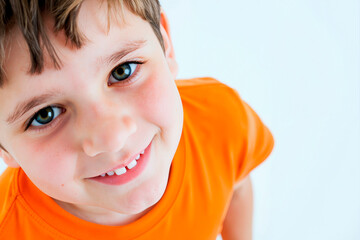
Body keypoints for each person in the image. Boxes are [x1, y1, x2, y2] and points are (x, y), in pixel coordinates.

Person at [0, 0, 274, 239]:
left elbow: (235, 187)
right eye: (44, 115)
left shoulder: (219, 121)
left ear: (165, 45)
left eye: (122, 70)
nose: (112, 138)